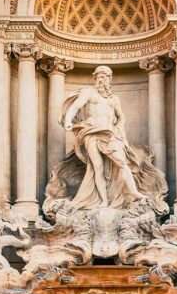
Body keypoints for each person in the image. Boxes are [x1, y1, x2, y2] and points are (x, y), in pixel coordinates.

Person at [62, 66, 146, 209]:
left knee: (122, 162)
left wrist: (119, 127)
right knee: (97, 168)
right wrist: (68, 120)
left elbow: (121, 117)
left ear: (109, 79)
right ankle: (104, 201)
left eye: (104, 77)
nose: (101, 80)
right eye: (99, 77)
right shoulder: (89, 93)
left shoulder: (114, 99)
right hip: (91, 132)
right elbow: (75, 107)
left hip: (109, 133)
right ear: (95, 79)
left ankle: (134, 192)